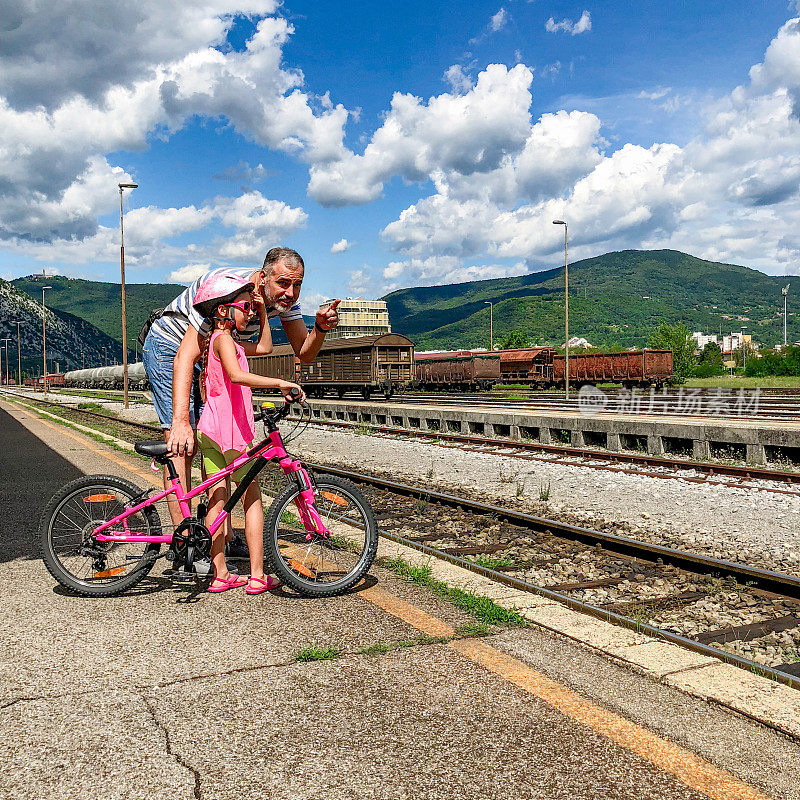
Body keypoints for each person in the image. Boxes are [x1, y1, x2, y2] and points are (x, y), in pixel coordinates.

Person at [142, 247, 340, 571]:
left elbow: (304, 352)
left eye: (298, 285)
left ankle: (220, 536)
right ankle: (185, 547)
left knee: (216, 448)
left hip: (213, 358)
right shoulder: (222, 290)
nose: (290, 293)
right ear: (263, 278)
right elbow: (184, 357)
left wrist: (319, 329)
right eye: (284, 283)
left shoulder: (278, 302)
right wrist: (179, 421)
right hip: (170, 348)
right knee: (184, 445)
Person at [190, 272, 305, 593]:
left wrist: (264, 310)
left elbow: (266, 346)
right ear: (224, 311)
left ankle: (221, 573)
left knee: (217, 500)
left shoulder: (226, 341)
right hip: (230, 433)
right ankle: (257, 575)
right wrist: (281, 382)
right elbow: (237, 376)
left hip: (209, 432)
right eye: (245, 306)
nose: (251, 311)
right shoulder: (223, 340)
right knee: (252, 500)